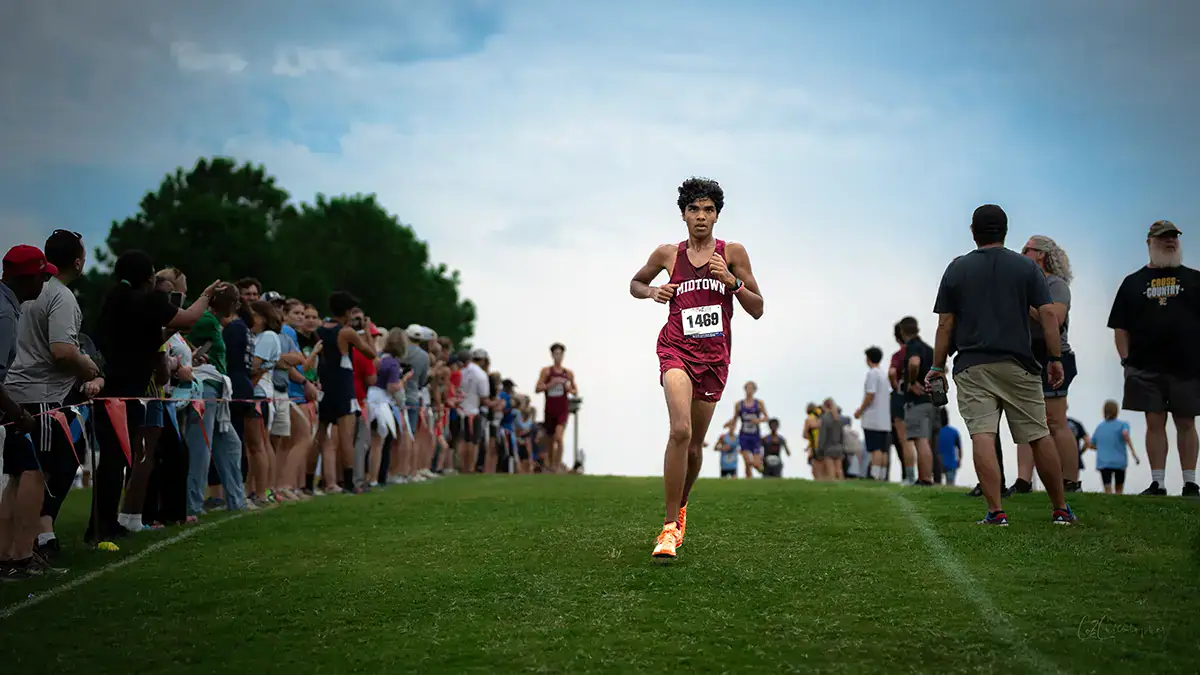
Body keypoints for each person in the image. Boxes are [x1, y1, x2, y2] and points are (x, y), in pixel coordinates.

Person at [629, 177, 763, 559]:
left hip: (714, 360)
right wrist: (654, 291)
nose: (701, 217)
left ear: (717, 215)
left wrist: (732, 281)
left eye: (708, 210)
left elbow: (757, 308)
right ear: (683, 215)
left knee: (696, 445)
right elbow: (636, 283)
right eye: (694, 210)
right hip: (675, 351)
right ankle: (669, 528)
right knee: (680, 429)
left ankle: (682, 507)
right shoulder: (668, 255)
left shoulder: (732, 252)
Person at [928, 204, 1076, 525]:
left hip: (972, 364)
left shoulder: (957, 269)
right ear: (1006, 231)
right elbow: (1049, 315)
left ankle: (996, 512)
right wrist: (1054, 359)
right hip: (1019, 362)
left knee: (982, 434)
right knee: (1038, 434)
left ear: (972, 232)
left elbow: (945, 325)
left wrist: (937, 367)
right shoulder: (1026, 268)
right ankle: (1061, 510)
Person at [90, 250, 222, 546]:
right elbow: (189, 319)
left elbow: (147, 337)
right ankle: (106, 526)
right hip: (131, 389)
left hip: (109, 384)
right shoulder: (147, 301)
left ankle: (103, 523)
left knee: (113, 458)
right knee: (121, 458)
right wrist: (206, 296)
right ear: (149, 277)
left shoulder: (113, 297)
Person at [1107, 220, 1200, 497]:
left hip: (1188, 367)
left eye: (1173, 238)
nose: (1170, 242)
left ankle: (1190, 483)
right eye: (1163, 238)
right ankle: (1157, 482)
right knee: (1154, 422)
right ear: (1150, 243)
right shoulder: (1132, 283)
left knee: (1186, 422)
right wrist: (1126, 362)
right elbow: (1120, 327)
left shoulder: (1195, 280)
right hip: (1145, 367)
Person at [0, 242, 74, 580]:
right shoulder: (5, 310)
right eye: (41, 277)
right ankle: (21, 556)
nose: (44, 284)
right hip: (34, 396)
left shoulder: (11, 305)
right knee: (35, 473)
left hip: (16, 393)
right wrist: (16, 411)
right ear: (26, 277)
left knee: (17, 474)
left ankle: (7, 555)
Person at [1013, 235, 1082, 494]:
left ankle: (1071, 480)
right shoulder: (1025, 285)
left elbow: (1054, 317)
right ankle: (1023, 480)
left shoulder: (1056, 285)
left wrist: (1028, 302)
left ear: (1040, 254)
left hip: (1054, 356)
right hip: (1027, 355)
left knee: (1055, 421)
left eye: (1026, 250)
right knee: (1026, 420)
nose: (1022, 253)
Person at [315, 292, 377, 495]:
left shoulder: (320, 330)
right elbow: (370, 353)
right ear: (348, 311)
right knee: (345, 437)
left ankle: (308, 481)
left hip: (325, 383)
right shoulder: (346, 332)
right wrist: (366, 332)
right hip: (343, 385)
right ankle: (350, 482)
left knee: (320, 435)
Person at [899, 316, 936, 485]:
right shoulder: (929, 349)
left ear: (902, 331)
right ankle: (926, 477)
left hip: (917, 400)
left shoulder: (913, 347)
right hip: (931, 400)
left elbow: (914, 363)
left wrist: (913, 382)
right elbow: (943, 367)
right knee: (925, 439)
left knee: (919, 439)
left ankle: (925, 478)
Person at [535, 343, 576, 474]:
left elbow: (575, 390)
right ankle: (552, 466)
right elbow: (537, 388)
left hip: (562, 409)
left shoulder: (568, 373)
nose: (558, 356)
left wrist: (568, 389)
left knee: (559, 437)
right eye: (556, 354)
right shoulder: (546, 371)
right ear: (552, 355)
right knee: (551, 439)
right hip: (550, 408)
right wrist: (550, 384)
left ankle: (557, 466)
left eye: (560, 354)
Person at [1086, 400, 1141, 494]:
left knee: (1107, 489)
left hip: (1104, 462)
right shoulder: (1123, 424)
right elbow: (1125, 435)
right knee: (1119, 490)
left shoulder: (1100, 427)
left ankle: (1109, 504)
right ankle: (1119, 505)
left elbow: (1091, 445)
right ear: (1116, 411)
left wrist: (1102, 448)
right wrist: (1134, 453)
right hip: (1119, 461)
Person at [855, 346, 892, 481]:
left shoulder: (872, 374)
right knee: (883, 449)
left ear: (868, 358)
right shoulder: (883, 374)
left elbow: (870, 394)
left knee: (875, 448)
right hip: (884, 418)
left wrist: (860, 410)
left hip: (873, 417)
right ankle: (882, 474)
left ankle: (874, 474)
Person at [731, 381, 767, 477]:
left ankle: (761, 468)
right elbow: (735, 418)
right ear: (745, 389)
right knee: (747, 461)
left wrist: (758, 420)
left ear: (755, 390)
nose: (749, 390)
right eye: (748, 388)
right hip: (744, 435)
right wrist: (731, 427)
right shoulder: (739, 404)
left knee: (756, 463)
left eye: (752, 388)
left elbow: (766, 417)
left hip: (755, 436)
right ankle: (749, 481)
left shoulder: (759, 403)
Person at [815, 399, 845, 480]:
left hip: (828, 448)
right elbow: (842, 435)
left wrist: (819, 449)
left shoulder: (824, 419)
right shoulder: (839, 418)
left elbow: (822, 436)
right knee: (839, 470)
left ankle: (834, 488)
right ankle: (843, 486)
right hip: (839, 447)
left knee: (831, 471)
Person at [937, 408, 962, 485]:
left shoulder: (935, 432)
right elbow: (959, 448)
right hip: (951, 463)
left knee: (936, 484)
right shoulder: (954, 432)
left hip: (937, 462)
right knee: (950, 485)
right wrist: (959, 460)